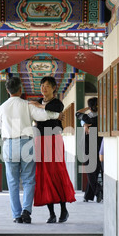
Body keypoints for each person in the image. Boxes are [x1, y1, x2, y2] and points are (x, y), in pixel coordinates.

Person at [0, 76, 60, 224]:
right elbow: (43, 116)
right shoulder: (27, 105)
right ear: (20, 89)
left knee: (12, 182)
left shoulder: (2, 107)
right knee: (29, 180)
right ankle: (26, 211)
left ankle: (16, 215)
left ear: (7, 90)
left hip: (9, 144)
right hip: (26, 144)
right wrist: (55, 113)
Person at [29, 76, 76, 223]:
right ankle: (51, 213)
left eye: (47, 86)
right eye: (42, 85)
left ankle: (63, 210)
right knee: (44, 175)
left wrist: (40, 106)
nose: (44, 88)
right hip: (40, 140)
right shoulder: (37, 101)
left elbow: (56, 109)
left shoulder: (56, 102)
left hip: (54, 139)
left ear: (54, 88)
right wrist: (39, 106)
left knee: (57, 172)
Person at [76, 97, 102, 203]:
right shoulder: (102, 118)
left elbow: (77, 113)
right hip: (100, 144)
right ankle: (88, 196)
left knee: (90, 171)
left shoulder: (86, 117)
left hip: (88, 144)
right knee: (95, 170)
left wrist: (88, 107)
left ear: (90, 107)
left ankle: (97, 190)